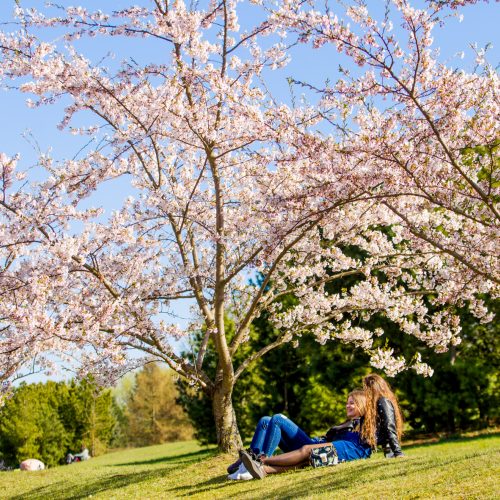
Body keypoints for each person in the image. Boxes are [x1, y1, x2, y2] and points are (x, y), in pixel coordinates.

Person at [229, 390, 371, 480]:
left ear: (362, 405)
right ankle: (247, 463)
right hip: (313, 442)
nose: (347, 405)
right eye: (347, 403)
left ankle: (258, 461)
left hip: (312, 447)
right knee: (265, 420)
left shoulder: (363, 426)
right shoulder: (347, 423)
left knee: (278, 418)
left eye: (352, 403)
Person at [362, 373, 404, 458]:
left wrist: (397, 452)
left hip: (390, 447)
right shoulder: (379, 402)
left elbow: (389, 425)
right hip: (387, 447)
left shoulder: (383, 401)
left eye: (366, 388)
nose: (365, 391)